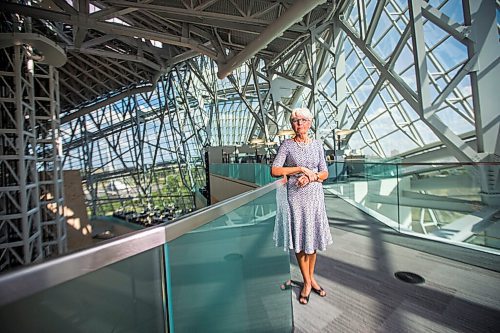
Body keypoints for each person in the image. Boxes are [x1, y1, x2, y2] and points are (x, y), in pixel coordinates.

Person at [271, 107, 333, 305]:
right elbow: (275, 170)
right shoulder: (287, 145)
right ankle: (308, 282)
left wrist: (310, 176)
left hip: (314, 196)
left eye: (303, 120)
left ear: (310, 123)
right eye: (295, 121)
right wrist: (299, 169)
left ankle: (309, 279)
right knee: (300, 239)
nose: (299, 124)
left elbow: (324, 173)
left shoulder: (317, 145)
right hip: (296, 198)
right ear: (292, 124)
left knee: (312, 239)